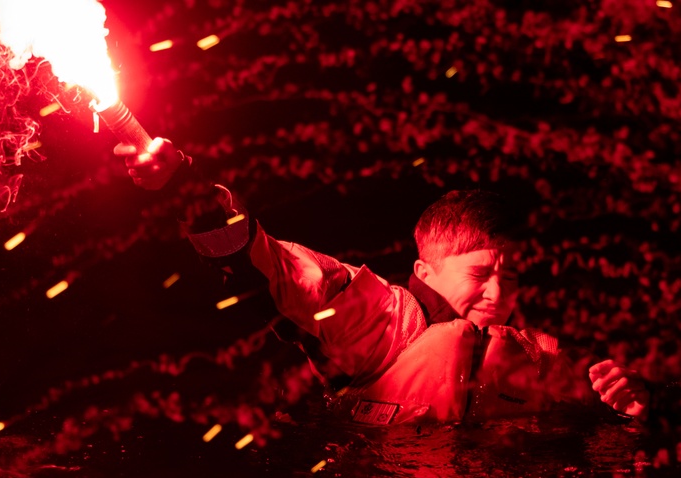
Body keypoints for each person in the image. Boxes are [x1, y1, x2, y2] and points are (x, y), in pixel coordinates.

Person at [115, 138, 651, 425]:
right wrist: (186, 187)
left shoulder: (536, 355)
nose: (498, 295)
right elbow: (266, 262)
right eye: (480, 274)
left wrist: (627, 409)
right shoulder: (373, 319)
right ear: (424, 274)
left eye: (511, 279)